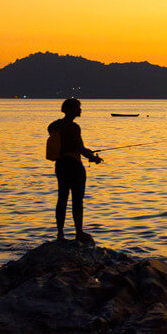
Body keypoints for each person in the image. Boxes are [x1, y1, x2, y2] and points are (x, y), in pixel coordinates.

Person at [49, 98, 103, 241]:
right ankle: (79, 232)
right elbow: (80, 148)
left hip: (60, 165)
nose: (80, 110)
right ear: (71, 109)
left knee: (62, 199)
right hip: (74, 166)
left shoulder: (55, 125)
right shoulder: (74, 127)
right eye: (78, 107)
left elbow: (70, 145)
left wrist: (87, 153)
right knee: (77, 200)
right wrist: (93, 157)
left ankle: (60, 234)